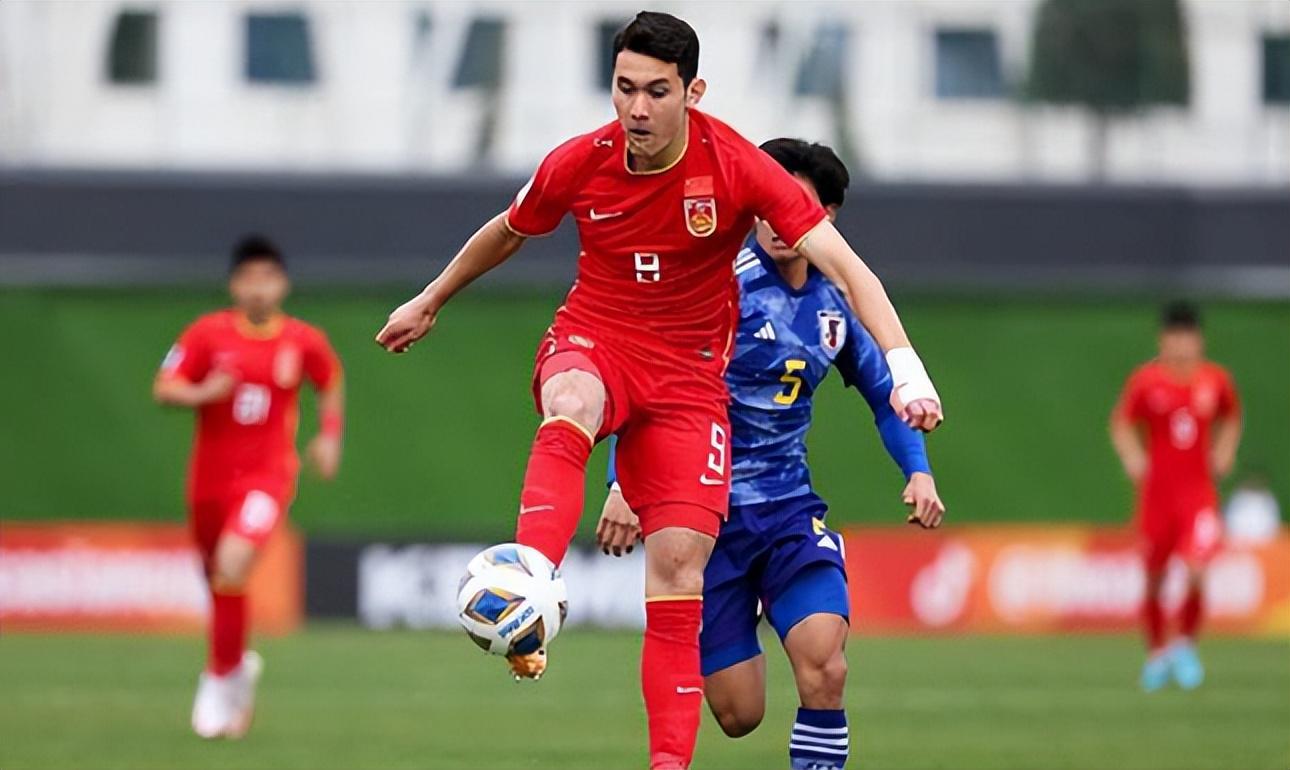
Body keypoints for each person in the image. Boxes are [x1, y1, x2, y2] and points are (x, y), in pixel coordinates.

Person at [376, 12, 943, 769]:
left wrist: (908, 370)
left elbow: (849, 269)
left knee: (679, 571)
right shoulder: (580, 161)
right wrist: (431, 298)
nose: (636, 108)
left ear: (692, 92)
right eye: (623, 88)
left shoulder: (737, 167)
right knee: (571, 401)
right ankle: (531, 579)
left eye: (656, 92)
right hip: (598, 338)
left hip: (688, 381)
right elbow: (508, 229)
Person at [596, 139, 944, 770]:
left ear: (825, 218)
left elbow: (883, 393)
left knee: (825, 666)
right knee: (739, 714)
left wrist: (917, 469)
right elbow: (651, 385)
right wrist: (623, 483)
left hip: (788, 512)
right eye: (769, 205)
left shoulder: (840, 303)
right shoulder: (718, 285)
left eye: (795, 207)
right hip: (704, 518)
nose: (779, 221)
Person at [154, 235, 344, 738]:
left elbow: (330, 379)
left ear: (283, 285)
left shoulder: (302, 340)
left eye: (268, 278)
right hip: (209, 481)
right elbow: (165, 387)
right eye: (249, 279)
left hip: (267, 478)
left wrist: (329, 435)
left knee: (232, 563)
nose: (259, 288)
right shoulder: (207, 334)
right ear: (234, 285)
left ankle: (218, 679)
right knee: (219, 580)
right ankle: (237, 668)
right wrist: (203, 392)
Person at [1110, 301, 1241, 692]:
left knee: (1197, 568)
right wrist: (1133, 457)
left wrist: (1225, 450)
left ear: (1199, 341)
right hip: (1157, 496)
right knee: (1155, 577)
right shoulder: (1146, 382)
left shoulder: (1215, 381)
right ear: (1163, 340)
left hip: (1198, 494)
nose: (1182, 345)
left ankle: (1184, 644)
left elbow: (1232, 417)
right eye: (1175, 337)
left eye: (1188, 337)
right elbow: (1122, 423)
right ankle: (1156, 653)